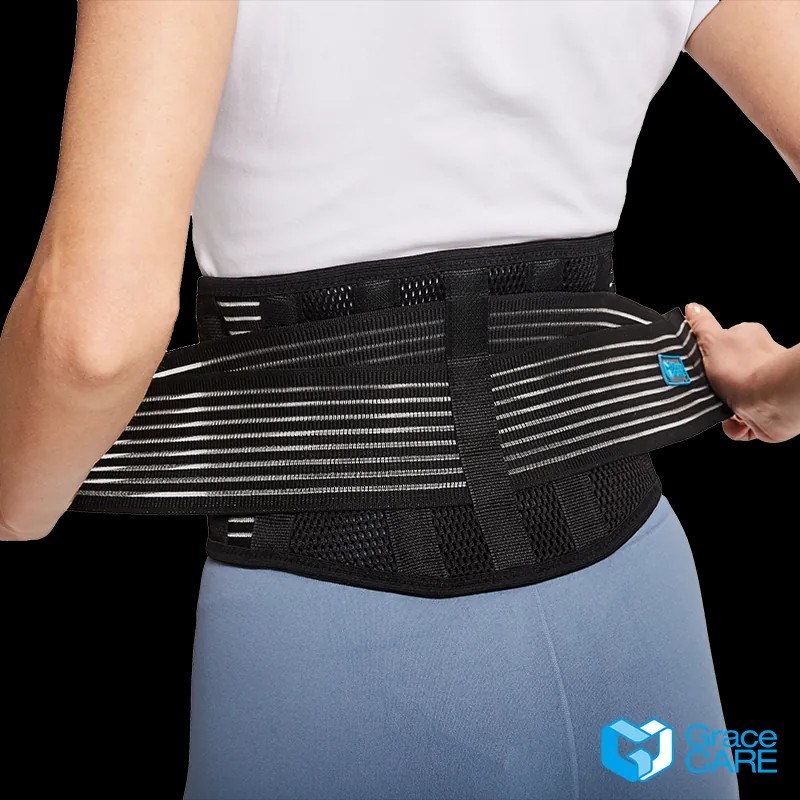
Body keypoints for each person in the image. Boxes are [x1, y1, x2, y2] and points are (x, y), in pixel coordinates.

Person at [1, 1, 798, 798]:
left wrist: (13, 510)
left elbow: (92, 341)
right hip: (638, 611)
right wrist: (776, 392)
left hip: (339, 641)